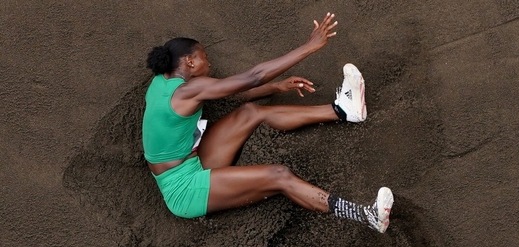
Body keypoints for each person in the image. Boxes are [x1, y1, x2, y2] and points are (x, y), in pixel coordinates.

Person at [143, 12, 394, 233]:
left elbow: (226, 93)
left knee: (250, 113)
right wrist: (310, 46)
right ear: (190, 62)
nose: (209, 63)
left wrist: (274, 87)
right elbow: (253, 77)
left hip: (192, 163)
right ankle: (367, 216)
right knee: (279, 175)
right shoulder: (189, 90)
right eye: (204, 57)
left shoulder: (164, 82)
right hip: (184, 191)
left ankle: (343, 110)